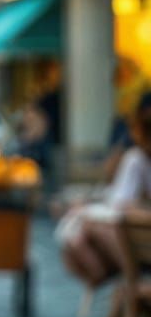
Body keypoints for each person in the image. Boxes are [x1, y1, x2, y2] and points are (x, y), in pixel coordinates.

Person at [59, 105, 151, 287]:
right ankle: (127, 285)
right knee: (82, 223)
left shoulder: (136, 159)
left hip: (137, 239)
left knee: (84, 224)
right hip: (135, 234)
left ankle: (127, 283)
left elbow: (122, 203)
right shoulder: (136, 159)